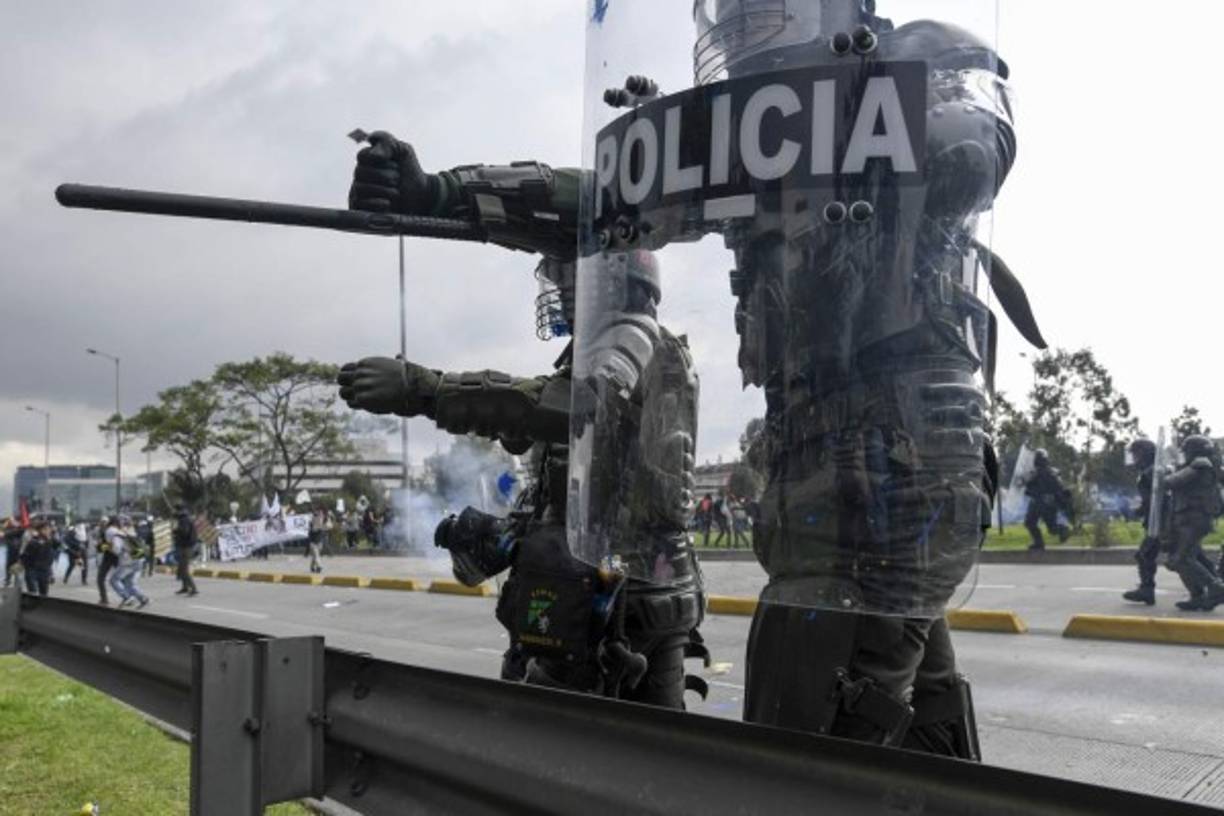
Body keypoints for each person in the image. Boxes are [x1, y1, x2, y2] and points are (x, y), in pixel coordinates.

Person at [338, 252, 706, 709]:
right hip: (640, 590)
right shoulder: (630, 349)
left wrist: (429, 391)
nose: (559, 292)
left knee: (539, 740)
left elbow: (580, 408)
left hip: (607, 601)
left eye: (570, 279)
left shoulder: (631, 339)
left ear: (614, 285)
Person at [1164, 435, 1224, 611]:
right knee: (1188, 558)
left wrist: (1163, 474)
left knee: (1182, 559)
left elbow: (1171, 482)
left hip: (1195, 520)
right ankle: (1197, 596)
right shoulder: (1200, 465)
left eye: (1186, 450)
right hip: (1190, 520)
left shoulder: (1200, 464)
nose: (1184, 454)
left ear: (1194, 451)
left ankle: (1216, 588)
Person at [1122, 439, 1161, 605]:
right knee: (1191, 556)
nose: (1134, 458)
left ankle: (1147, 590)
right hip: (1161, 521)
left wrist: (1133, 512)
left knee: (1144, 554)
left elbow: (1151, 503)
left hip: (1159, 522)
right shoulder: (1155, 471)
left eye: (1136, 454)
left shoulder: (1148, 474)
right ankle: (1211, 586)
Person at [1023, 450, 1073, 551]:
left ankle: (1061, 531)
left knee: (1041, 526)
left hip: (1043, 503)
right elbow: (1029, 487)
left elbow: (1029, 485)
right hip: (1043, 503)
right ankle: (1042, 541)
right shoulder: (1046, 472)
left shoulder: (1044, 472)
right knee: (1038, 525)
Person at [107, 515, 149, 609]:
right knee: (129, 582)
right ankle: (143, 599)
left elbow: (116, 550)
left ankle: (127, 597)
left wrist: (108, 547)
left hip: (127, 562)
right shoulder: (133, 532)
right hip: (139, 559)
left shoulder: (118, 535)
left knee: (114, 580)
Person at [19, 520, 55, 596]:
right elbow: (25, 555)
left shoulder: (52, 541)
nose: (48, 531)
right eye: (45, 529)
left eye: (49, 529)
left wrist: (76, 556)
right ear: (39, 530)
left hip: (44, 571)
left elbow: (64, 547)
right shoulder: (33, 541)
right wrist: (21, 564)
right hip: (32, 570)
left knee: (44, 594)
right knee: (33, 594)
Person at [172, 506, 199, 596]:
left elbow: (184, 532)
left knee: (184, 569)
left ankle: (194, 589)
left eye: (176, 510)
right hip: (184, 547)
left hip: (186, 547)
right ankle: (185, 587)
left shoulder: (184, 521)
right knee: (181, 568)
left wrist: (175, 531)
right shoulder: (184, 519)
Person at [95, 516, 118, 606]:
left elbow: (105, 547)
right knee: (100, 579)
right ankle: (104, 599)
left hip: (115, 557)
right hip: (108, 558)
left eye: (105, 522)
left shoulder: (111, 531)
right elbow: (102, 548)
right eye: (102, 522)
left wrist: (100, 546)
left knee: (122, 578)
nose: (103, 524)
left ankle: (129, 596)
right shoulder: (102, 533)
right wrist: (99, 546)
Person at [2, 518, 22, 588]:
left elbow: (20, 529)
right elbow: (5, 533)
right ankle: (8, 580)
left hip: (17, 552)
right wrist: (9, 523)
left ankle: (16, 581)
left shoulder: (19, 531)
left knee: (16, 567)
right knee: (8, 566)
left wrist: (16, 523)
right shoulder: (8, 531)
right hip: (11, 551)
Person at [307, 508, 325, 573]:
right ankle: (319, 566)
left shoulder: (322, 523)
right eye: (318, 515)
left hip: (320, 542)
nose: (320, 517)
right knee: (316, 555)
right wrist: (315, 527)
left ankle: (312, 566)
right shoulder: (311, 523)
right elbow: (312, 530)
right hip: (313, 542)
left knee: (315, 556)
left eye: (321, 515)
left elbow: (328, 526)